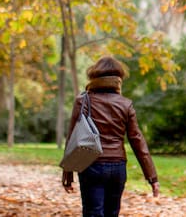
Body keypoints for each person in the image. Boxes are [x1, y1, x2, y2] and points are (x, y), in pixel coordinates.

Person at [61, 56, 160, 216]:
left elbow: (73, 138)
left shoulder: (83, 101)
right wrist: (152, 178)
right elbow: (137, 140)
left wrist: (68, 173)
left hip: (90, 165)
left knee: (93, 213)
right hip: (118, 167)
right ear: (118, 79)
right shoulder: (125, 104)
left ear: (94, 77)